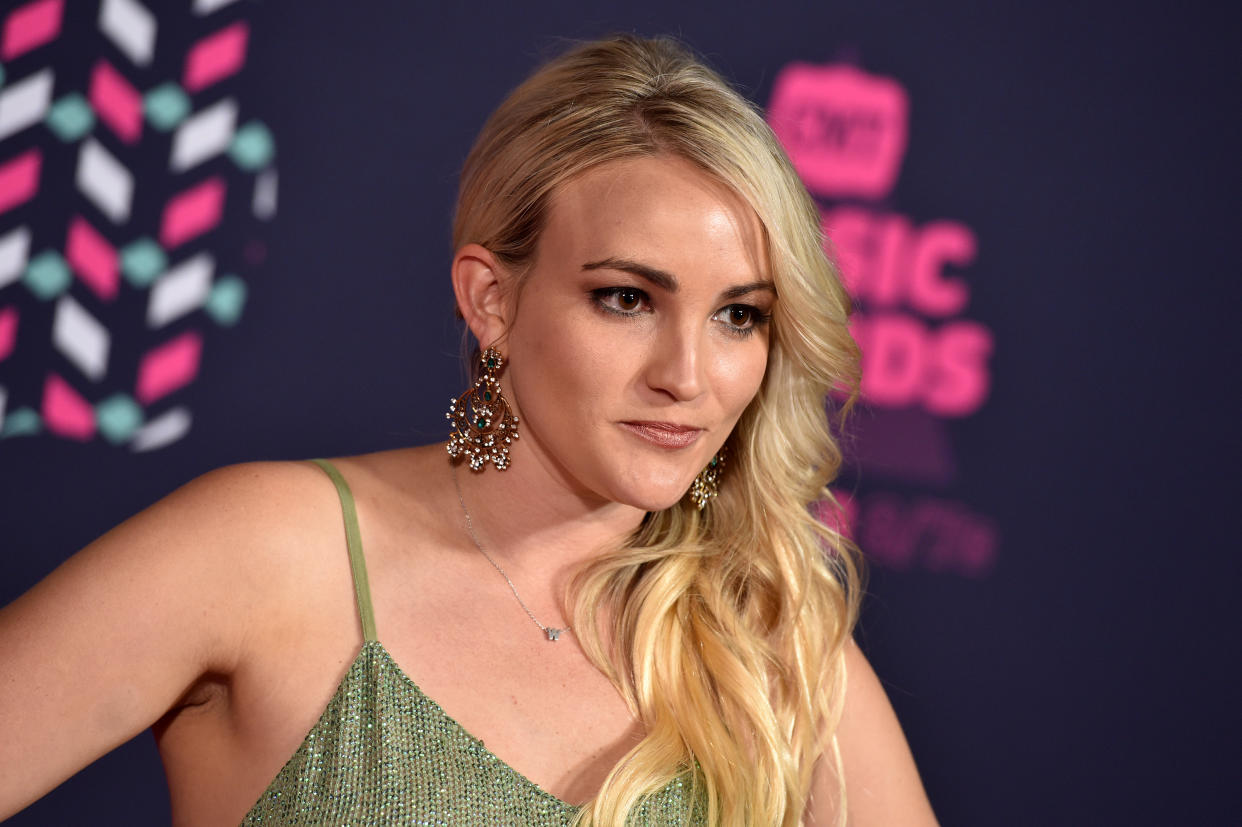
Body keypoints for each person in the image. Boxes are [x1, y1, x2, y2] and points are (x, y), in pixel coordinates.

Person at [0, 34, 938, 826]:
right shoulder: (271, 552)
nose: (685, 376)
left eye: (740, 315)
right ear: (492, 299)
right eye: (625, 298)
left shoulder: (773, 654)